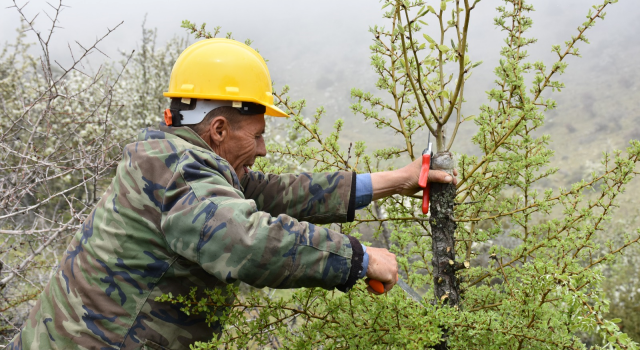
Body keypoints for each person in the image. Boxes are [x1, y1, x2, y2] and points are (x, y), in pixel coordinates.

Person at [7, 38, 456, 350]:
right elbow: (245, 239)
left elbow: (276, 193)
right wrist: (357, 258)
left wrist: (395, 180)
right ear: (219, 129)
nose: (262, 148)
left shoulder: (171, 157)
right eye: (257, 135)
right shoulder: (181, 176)